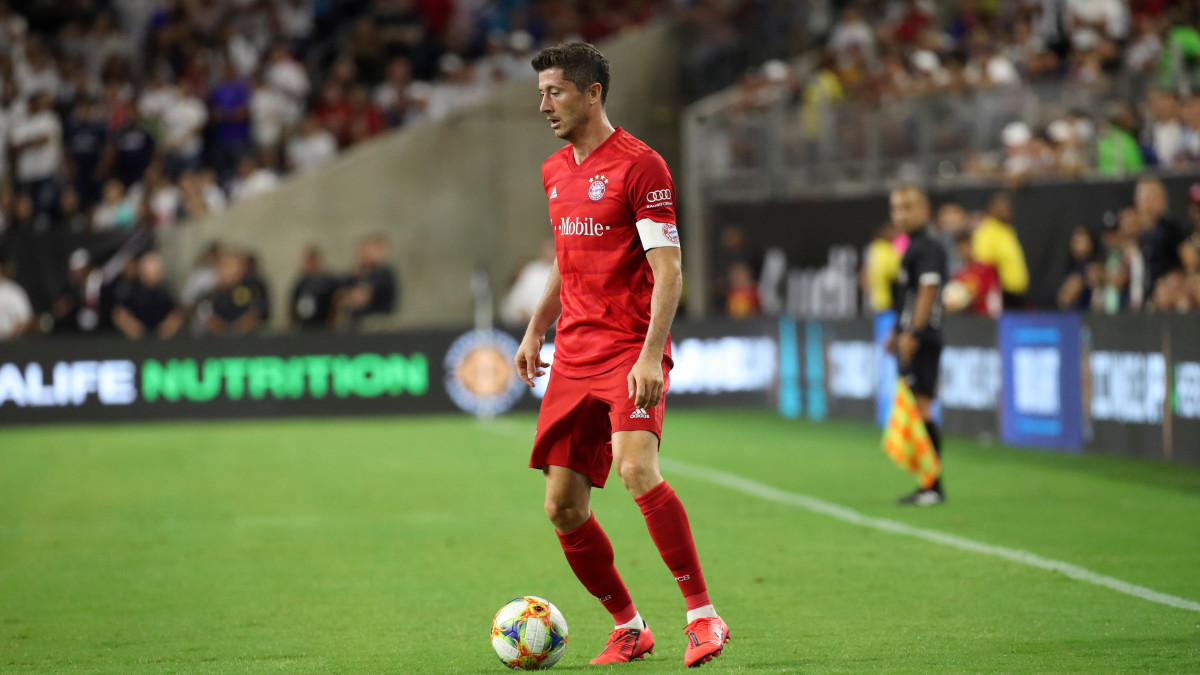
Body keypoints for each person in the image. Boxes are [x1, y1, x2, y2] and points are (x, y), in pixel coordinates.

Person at [514, 42, 728, 668]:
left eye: (554, 92)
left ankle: (703, 617)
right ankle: (629, 626)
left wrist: (650, 355)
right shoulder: (554, 171)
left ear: (592, 93)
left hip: (628, 349)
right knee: (562, 506)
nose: (544, 105)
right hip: (573, 354)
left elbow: (669, 269)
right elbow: (567, 257)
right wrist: (536, 328)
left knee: (636, 469)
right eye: (540, 94)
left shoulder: (642, 167)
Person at [886, 186, 948, 506]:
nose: (901, 214)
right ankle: (927, 483)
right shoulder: (912, 247)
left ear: (925, 211)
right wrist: (896, 331)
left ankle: (932, 486)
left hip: (923, 338)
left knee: (923, 407)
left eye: (907, 207)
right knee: (916, 407)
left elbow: (928, 289)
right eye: (896, 208)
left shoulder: (927, 247)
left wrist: (912, 332)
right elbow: (909, 297)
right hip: (914, 335)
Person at [971, 192, 1029, 310]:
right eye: (1002, 208)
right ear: (991, 208)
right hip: (1002, 294)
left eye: (1008, 207)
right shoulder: (986, 232)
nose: (1007, 211)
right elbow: (983, 266)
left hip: (1017, 292)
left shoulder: (1007, 229)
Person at [112, 252, 183, 339]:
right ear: (141, 271)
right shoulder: (129, 291)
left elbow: (177, 313)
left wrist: (168, 327)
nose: (151, 277)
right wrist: (132, 327)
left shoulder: (167, 291)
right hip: (134, 341)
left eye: (155, 272)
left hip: (162, 340)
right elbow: (119, 313)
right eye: (148, 273)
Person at [289, 245, 338, 329]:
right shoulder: (301, 282)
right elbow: (293, 303)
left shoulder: (327, 282)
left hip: (322, 326)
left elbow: (334, 304)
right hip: (304, 326)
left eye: (308, 261)